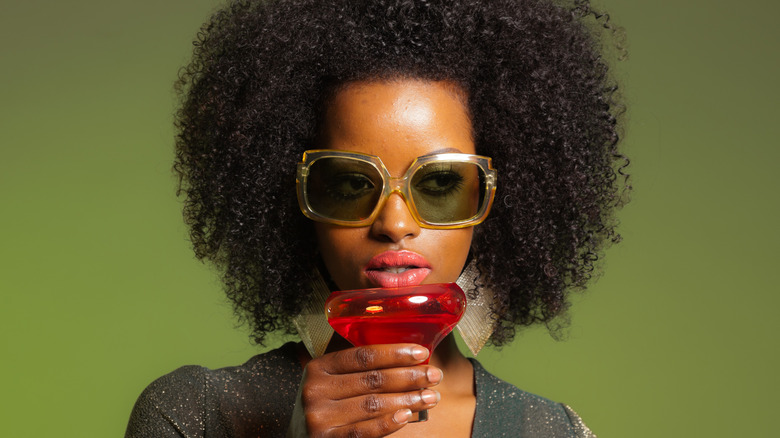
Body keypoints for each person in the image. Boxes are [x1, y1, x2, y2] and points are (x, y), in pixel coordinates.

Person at [125, 0, 628, 436]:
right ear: (298, 201)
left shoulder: (551, 432)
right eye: (349, 184)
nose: (394, 222)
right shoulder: (193, 417)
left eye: (439, 183)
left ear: (493, 202)